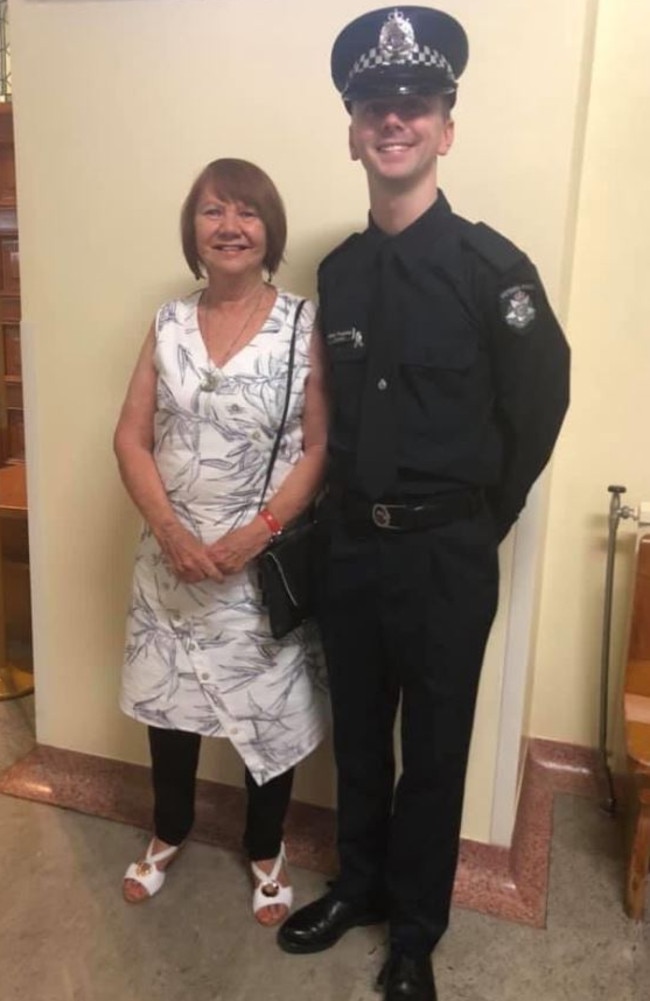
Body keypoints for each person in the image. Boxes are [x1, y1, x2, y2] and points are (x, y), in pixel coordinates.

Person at [278, 7, 570, 999]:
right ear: (352, 128)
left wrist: (478, 516)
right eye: (372, 105)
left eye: (413, 104)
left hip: (446, 552)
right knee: (357, 734)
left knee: (433, 747)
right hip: (352, 546)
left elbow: (538, 405)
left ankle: (414, 925)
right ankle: (356, 884)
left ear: (445, 125)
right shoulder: (340, 273)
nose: (391, 120)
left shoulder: (495, 272)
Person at [115, 158, 328, 927]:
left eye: (247, 212)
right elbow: (131, 438)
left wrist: (253, 535)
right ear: (193, 230)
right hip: (169, 559)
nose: (230, 227)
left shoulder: (304, 324)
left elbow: (317, 450)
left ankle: (264, 845)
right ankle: (168, 828)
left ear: (268, 229)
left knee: (264, 711)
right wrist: (171, 531)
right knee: (169, 709)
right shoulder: (169, 323)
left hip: (256, 563)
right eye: (213, 212)